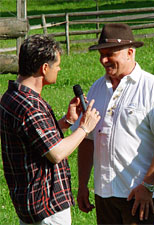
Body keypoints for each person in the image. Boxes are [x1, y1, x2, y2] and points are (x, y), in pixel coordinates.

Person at [74, 23, 154, 224]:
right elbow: (87, 139)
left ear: (130, 52)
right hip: (104, 194)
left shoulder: (151, 87)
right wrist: (83, 185)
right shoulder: (97, 87)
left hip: (137, 196)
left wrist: (148, 186)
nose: (103, 60)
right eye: (101, 54)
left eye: (109, 54)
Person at [0, 34, 100, 225]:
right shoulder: (30, 105)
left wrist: (66, 122)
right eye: (57, 65)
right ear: (44, 68)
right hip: (46, 208)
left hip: (29, 204)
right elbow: (56, 153)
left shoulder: (12, 97)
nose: (60, 68)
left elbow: (34, 138)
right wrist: (84, 128)